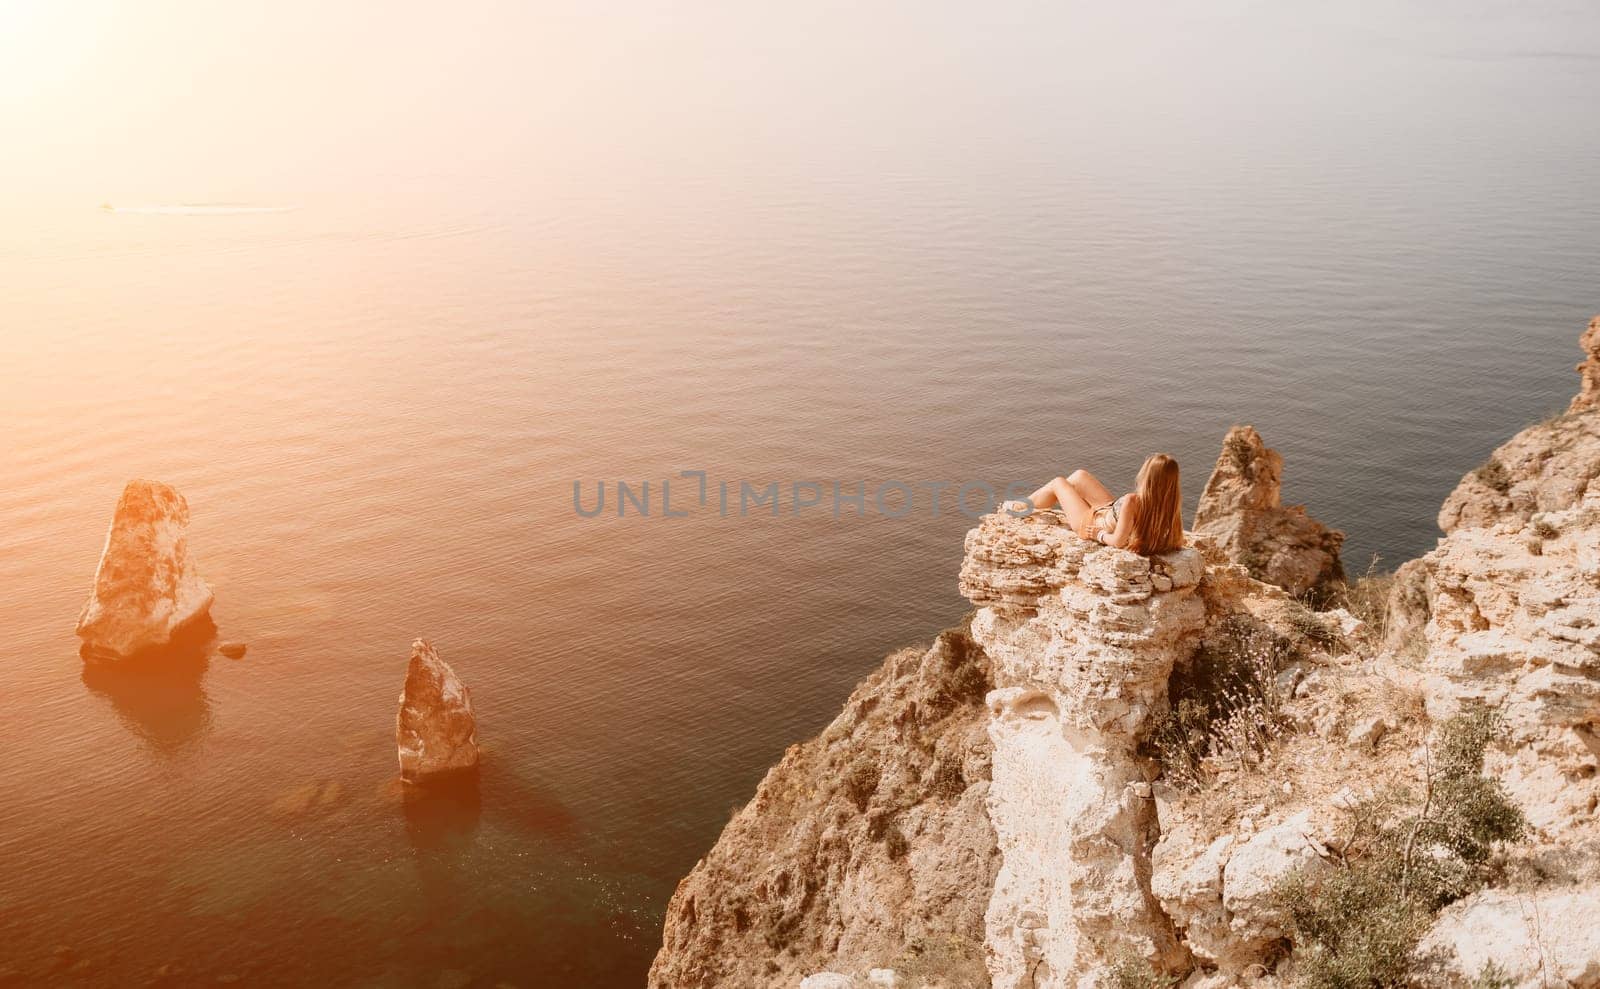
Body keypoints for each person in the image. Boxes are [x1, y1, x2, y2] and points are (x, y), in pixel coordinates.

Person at [1007, 454, 1184, 555]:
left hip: (1091, 523)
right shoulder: (1170, 504)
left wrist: (1098, 534)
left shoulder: (1133, 500)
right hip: (1108, 512)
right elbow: (1176, 540)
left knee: (1058, 483)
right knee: (1079, 476)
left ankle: (1020, 508)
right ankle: (1026, 504)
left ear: (1149, 477)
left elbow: (1117, 541)